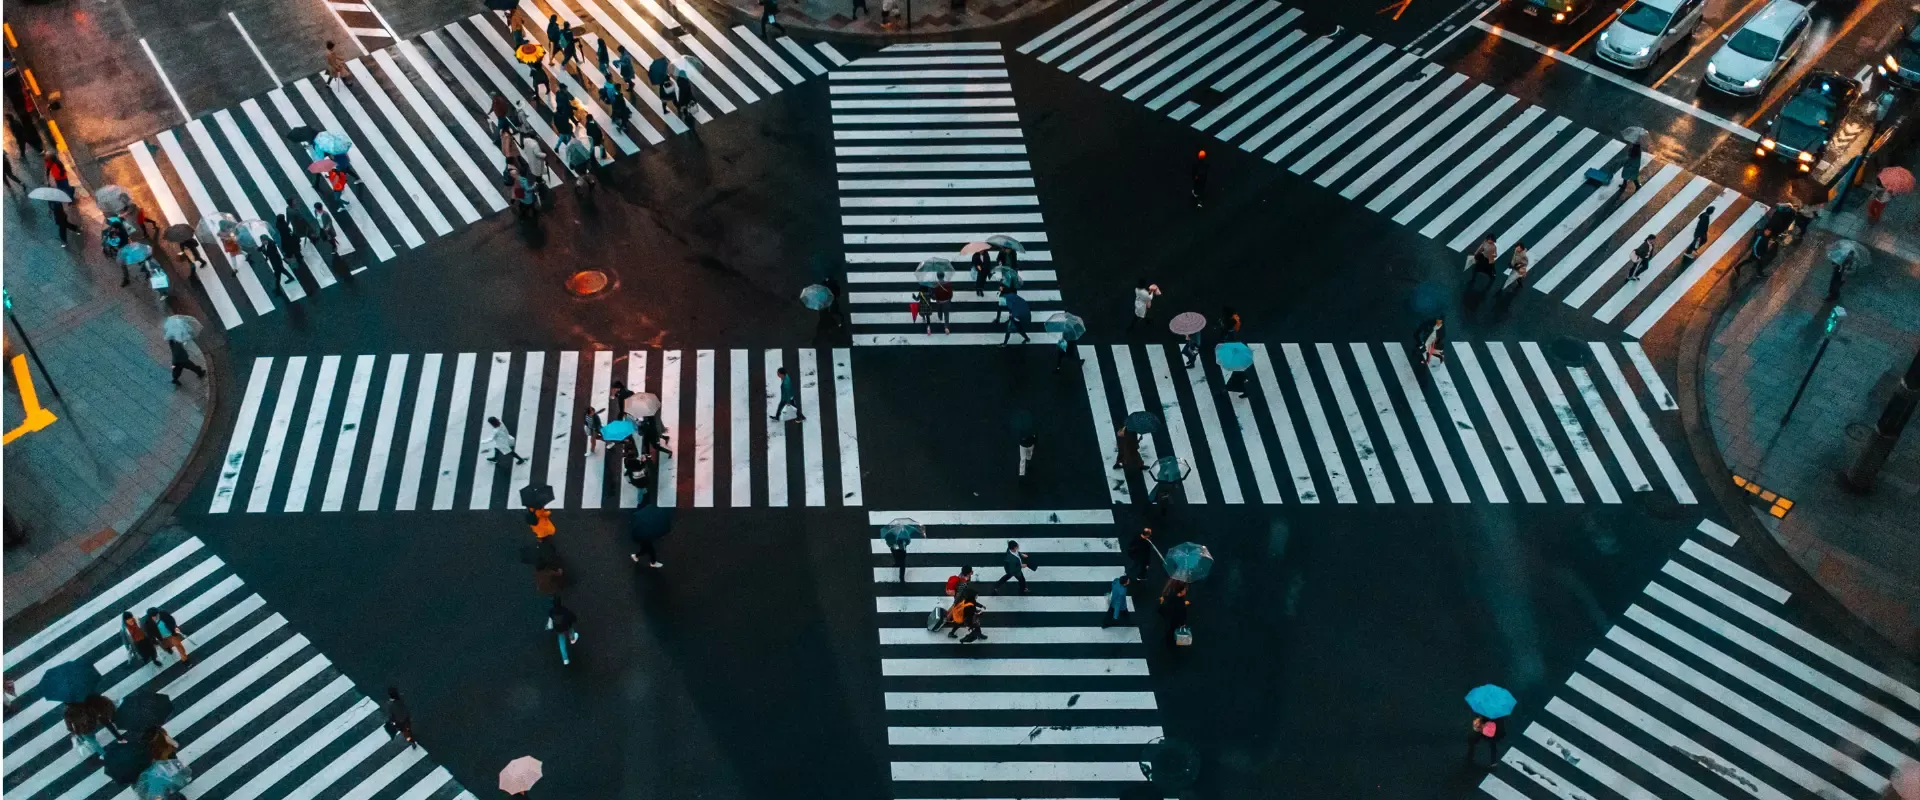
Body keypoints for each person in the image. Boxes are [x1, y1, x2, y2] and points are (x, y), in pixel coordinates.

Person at [546, 597, 580, 665]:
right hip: (567, 627)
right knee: (571, 631)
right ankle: (572, 638)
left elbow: (550, 620)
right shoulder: (565, 610)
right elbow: (572, 617)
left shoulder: (551, 611)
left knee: (562, 644)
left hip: (559, 630)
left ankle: (565, 659)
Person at [1159, 582, 1189, 646]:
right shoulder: (1180, 603)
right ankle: (1171, 644)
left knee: (1169, 630)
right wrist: (1182, 624)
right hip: (1174, 620)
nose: (1186, 591)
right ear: (1181, 591)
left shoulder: (1172, 596)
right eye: (1185, 590)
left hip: (1169, 618)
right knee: (1172, 632)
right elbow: (1181, 614)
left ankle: (1168, 641)